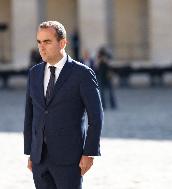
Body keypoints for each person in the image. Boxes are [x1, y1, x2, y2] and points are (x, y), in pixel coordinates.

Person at [24, 21, 103, 189]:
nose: (41, 47)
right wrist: (30, 151)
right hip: (40, 159)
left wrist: (89, 152)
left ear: (63, 43)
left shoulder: (82, 74)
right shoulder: (34, 73)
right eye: (39, 42)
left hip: (69, 159)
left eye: (47, 42)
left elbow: (96, 117)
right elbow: (30, 115)